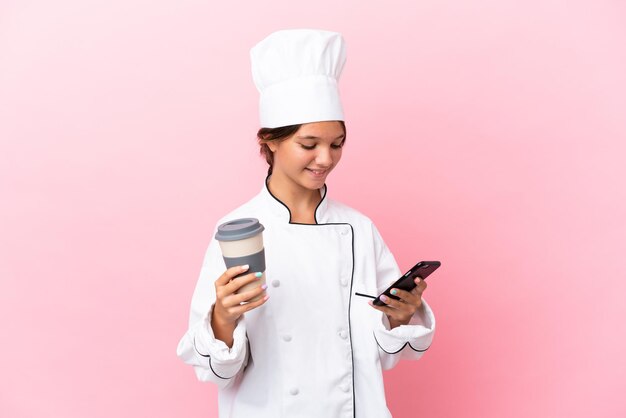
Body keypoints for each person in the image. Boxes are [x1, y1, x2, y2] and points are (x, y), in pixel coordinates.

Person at [176, 29, 436, 418]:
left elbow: (383, 352)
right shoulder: (237, 230)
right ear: (271, 141)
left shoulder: (358, 229)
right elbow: (215, 368)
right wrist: (222, 318)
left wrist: (400, 316)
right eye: (309, 144)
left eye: (337, 144)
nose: (326, 159)